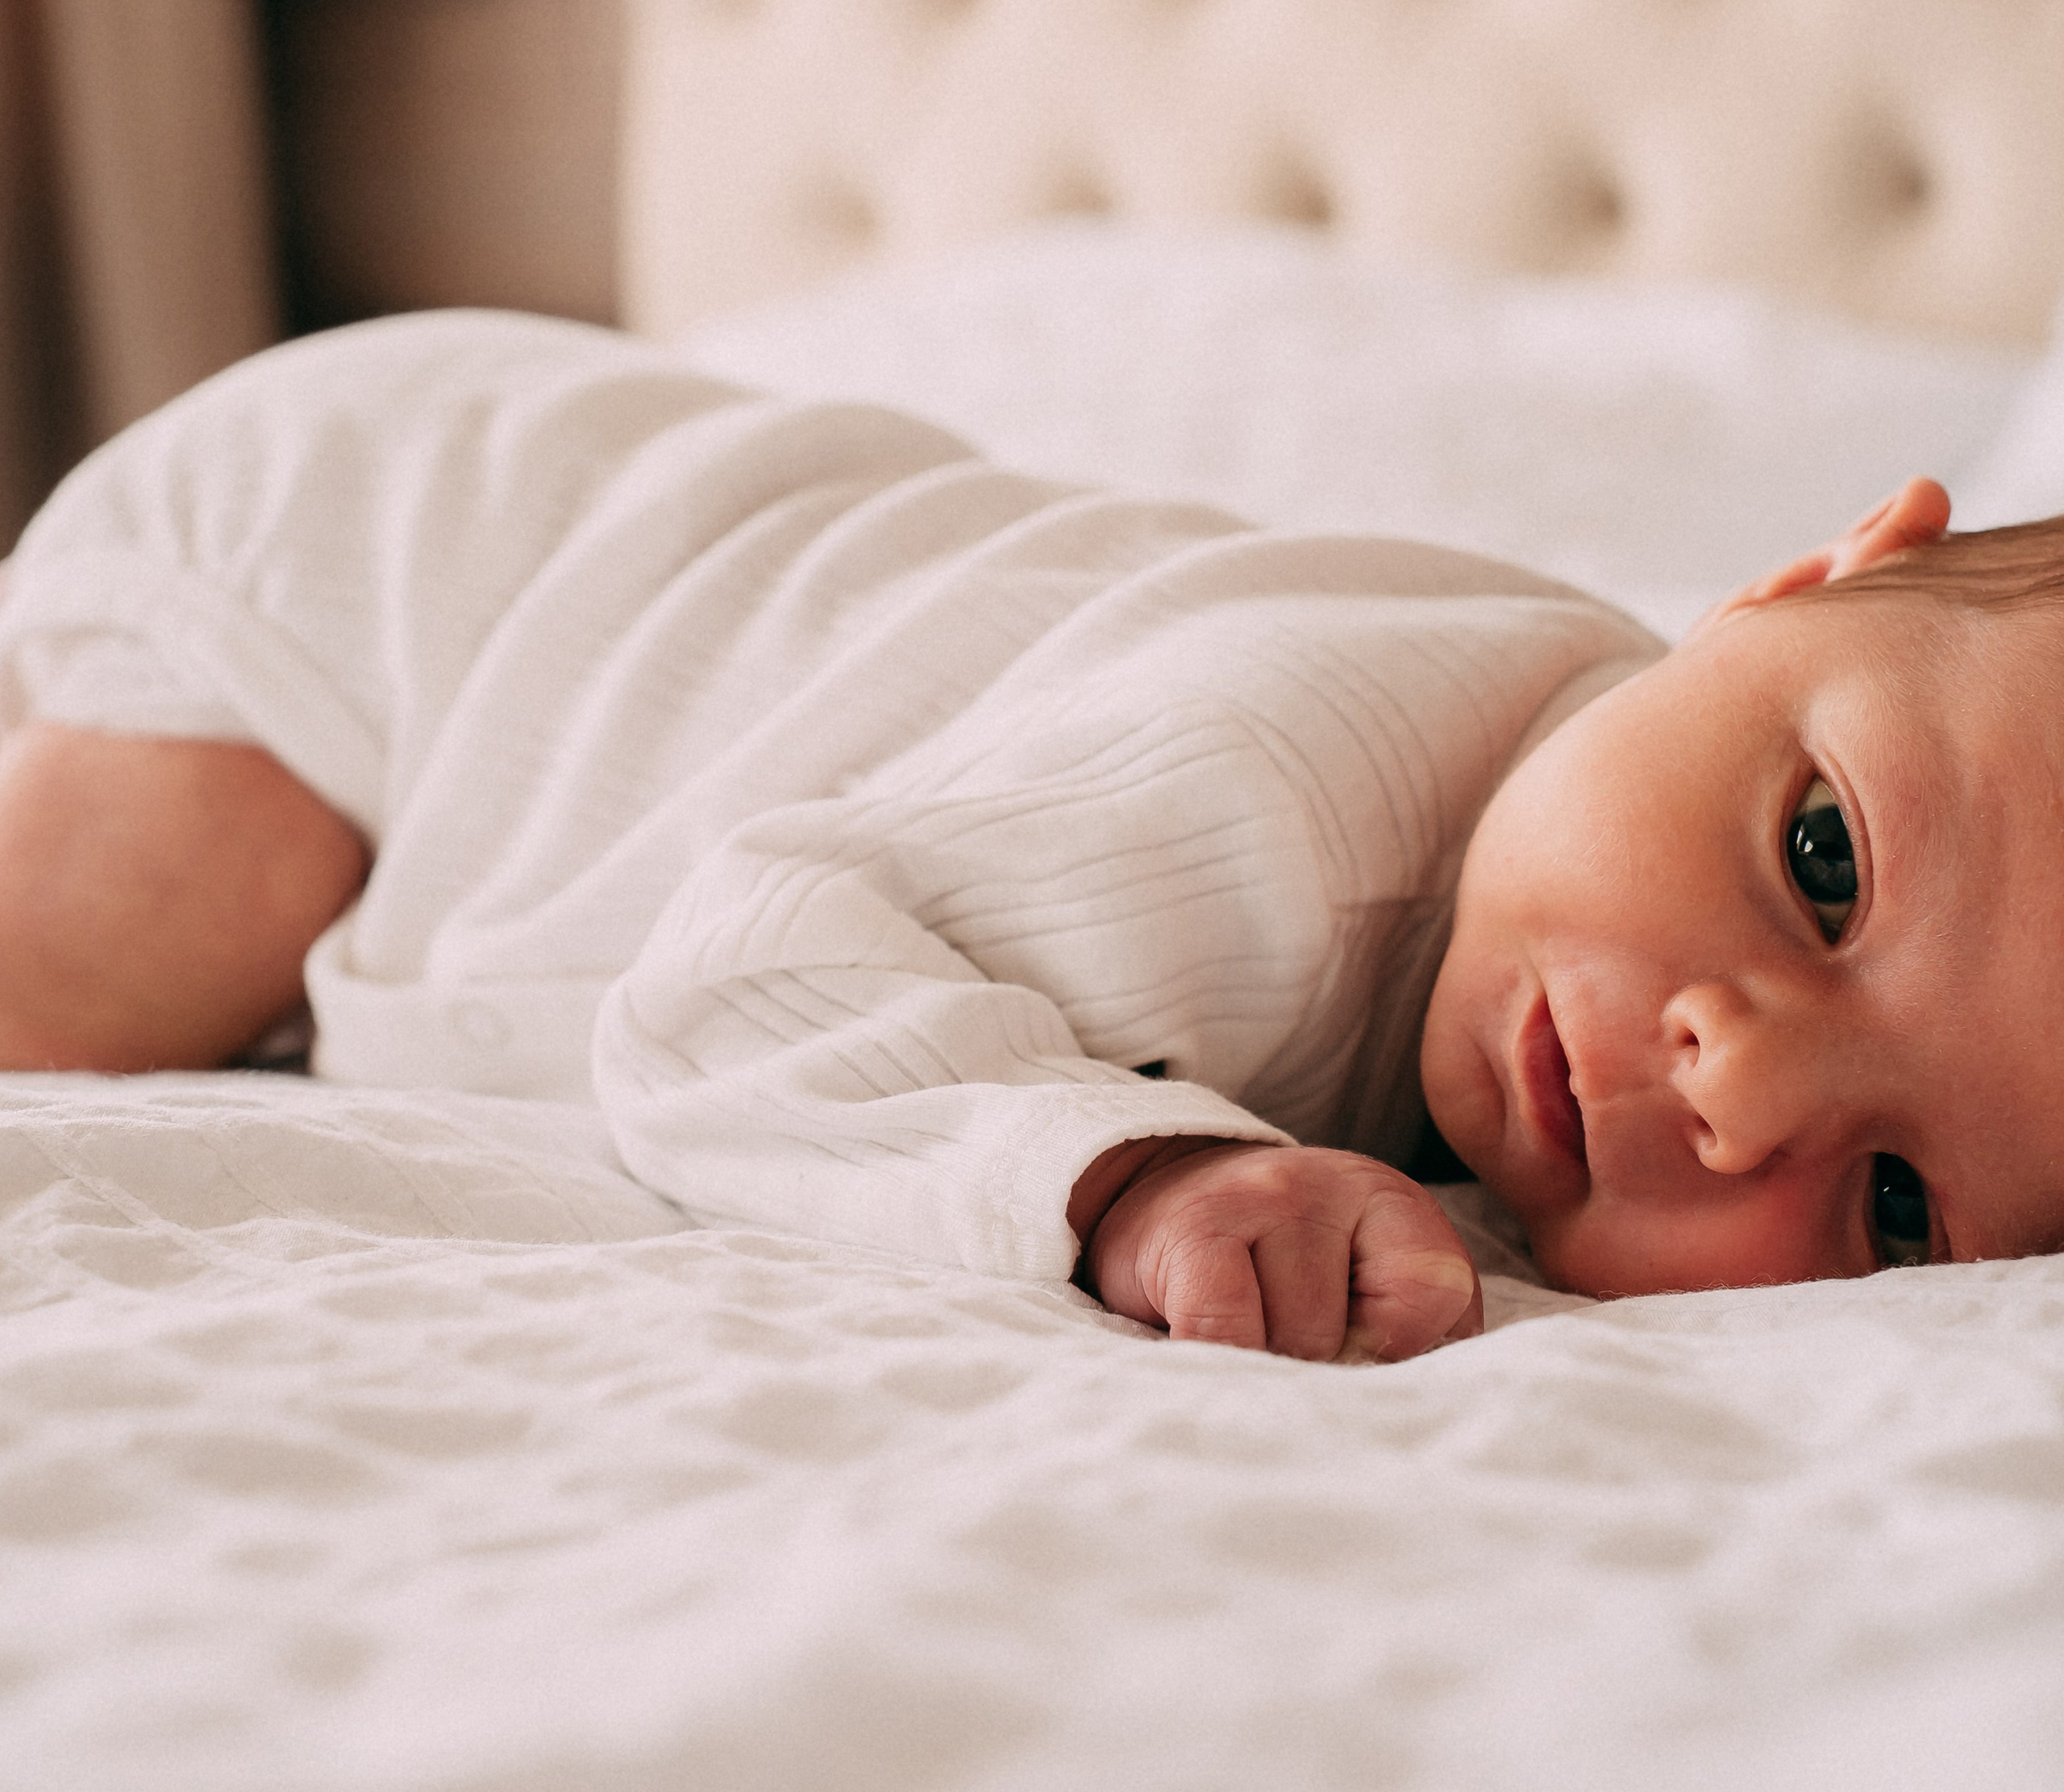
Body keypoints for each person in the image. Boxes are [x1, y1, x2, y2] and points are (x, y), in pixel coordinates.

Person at [0, 312, 2056, 1365]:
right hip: (410, 579)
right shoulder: (1277, 813)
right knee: (81, 984)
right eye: (1820, 865)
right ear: (1787, 582)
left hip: (551, 530)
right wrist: (1137, 1179)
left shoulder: (1582, 806)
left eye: (1892, 1207)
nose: (1738, 1083)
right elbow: (737, 985)